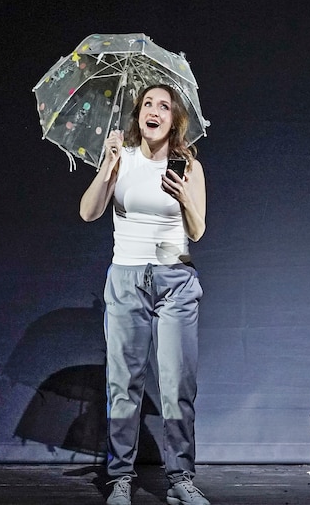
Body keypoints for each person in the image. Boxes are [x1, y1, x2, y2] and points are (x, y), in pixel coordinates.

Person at [80, 84, 210, 505]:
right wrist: (108, 166)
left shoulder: (188, 165)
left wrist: (183, 196)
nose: (154, 111)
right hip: (127, 278)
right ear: (137, 115)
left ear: (175, 119)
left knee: (177, 383)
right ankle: (120, 477)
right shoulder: (122, 160)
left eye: (164, 106)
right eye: (148, 105)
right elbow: (88, 212)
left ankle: (181, 478)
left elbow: (197, 230)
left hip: (175, 278)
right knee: (123, 383)